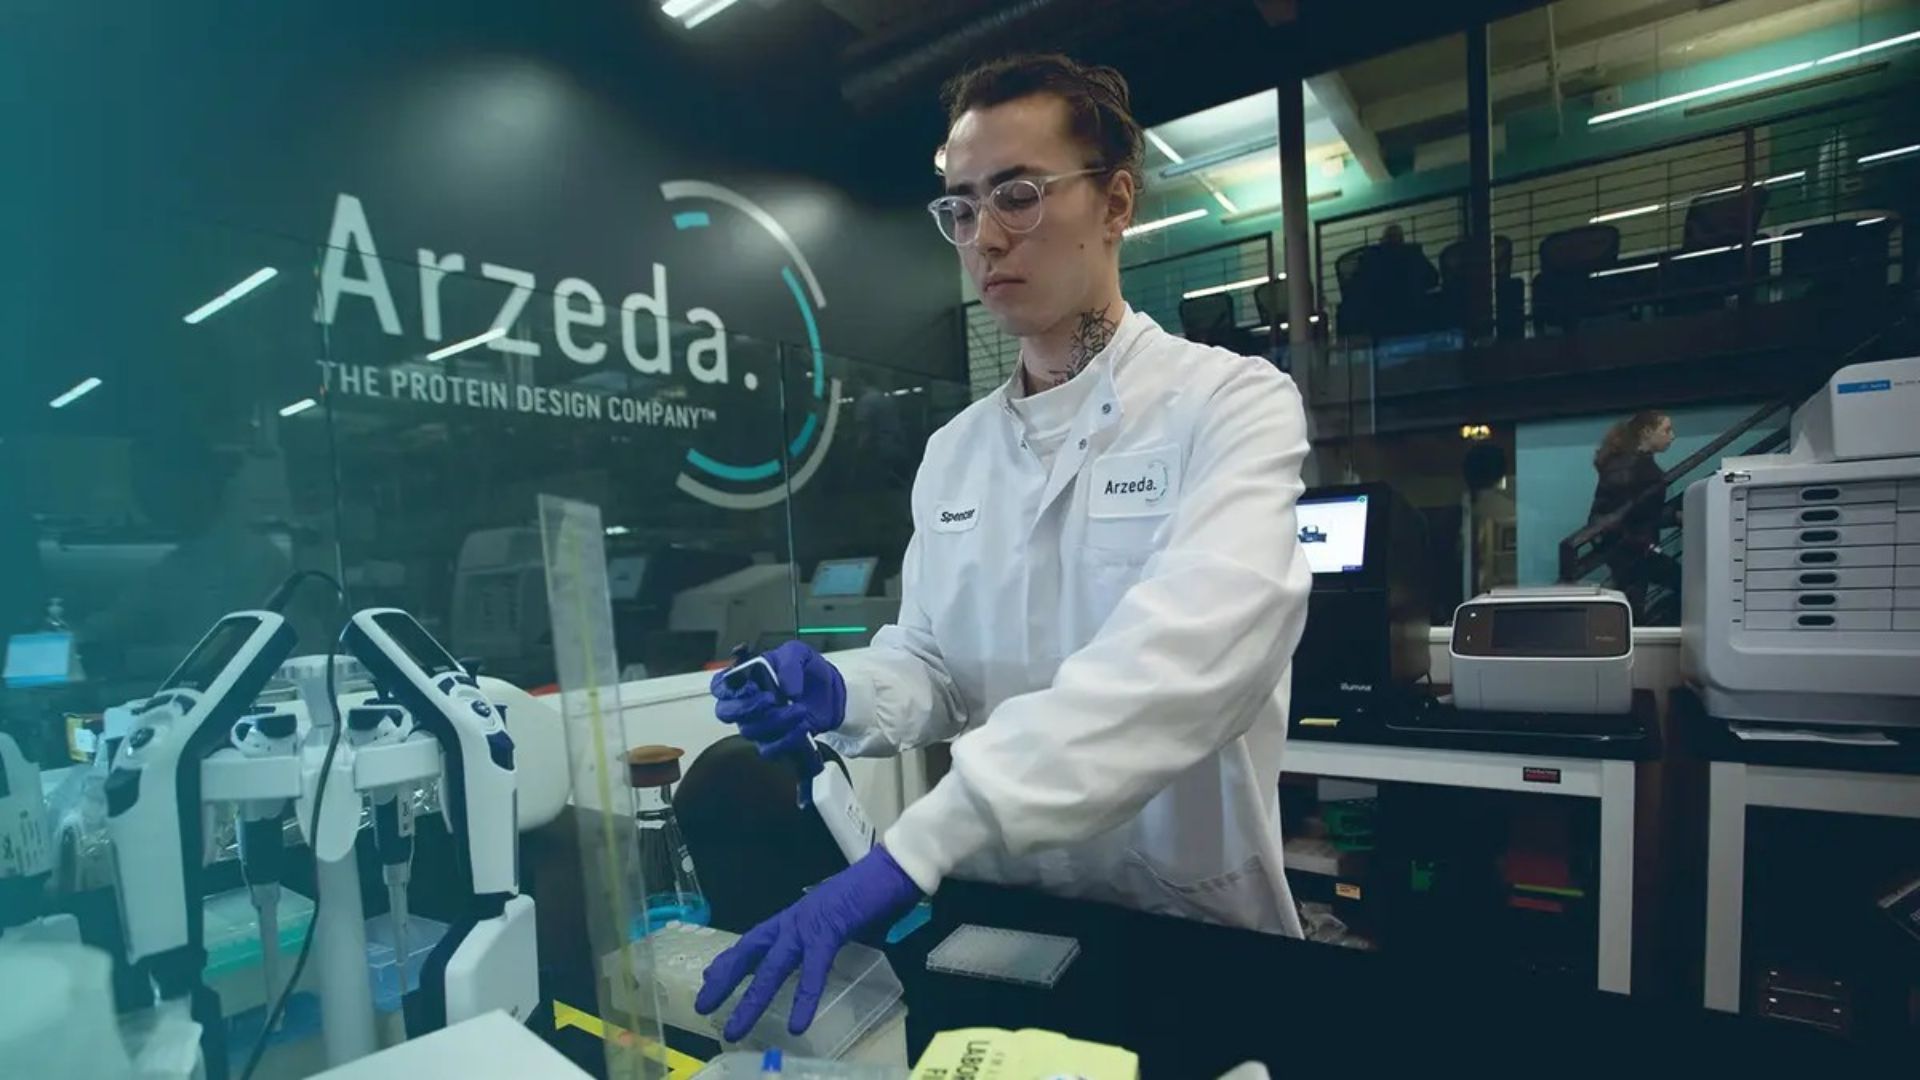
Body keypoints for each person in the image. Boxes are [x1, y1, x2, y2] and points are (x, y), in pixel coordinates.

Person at [696, 54, 1313, 1041]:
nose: (984, 238)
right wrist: (845, 691)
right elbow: (935, 664)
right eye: (960, 207)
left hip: (1185, 924)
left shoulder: (1229, 404)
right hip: (1004, 919)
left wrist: (916, 847)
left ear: (1116, 203)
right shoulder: (955, 453)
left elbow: (1187, 660)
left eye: (1019, 196)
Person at [1588, 410, 1680, 620]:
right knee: (1636, 607)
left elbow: (1635, 510)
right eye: (1666, 430)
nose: (1672, 436)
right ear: (1647, 432)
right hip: (1633, 548)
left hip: (1630, 547)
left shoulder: (1627, 464)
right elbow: (1632, 512)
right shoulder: (1632, 467)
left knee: (1632, 608)